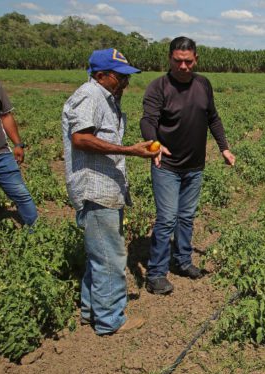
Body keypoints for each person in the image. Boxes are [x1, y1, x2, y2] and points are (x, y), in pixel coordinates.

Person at [62, 48, 157, 334]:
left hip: (104, 187)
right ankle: (110, 320)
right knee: (110, 257)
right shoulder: (89, 96)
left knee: (99, 254)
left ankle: (92, 311)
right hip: (95, 188)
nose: (125, 83)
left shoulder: (106, 98)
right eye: (120, 77)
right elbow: (81, 139)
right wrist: (130, 150)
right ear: (101, 75)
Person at [140, 36, 236, 295]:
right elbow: (148, 120)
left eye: (188, 61)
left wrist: (224, 147)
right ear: (170, 58)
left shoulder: (203, 84)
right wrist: (153, 143)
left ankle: (182, 261)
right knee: (167, 218)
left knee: (186, 216)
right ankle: (156, 273)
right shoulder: (158, 87)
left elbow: (213, 118)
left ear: (196, 59)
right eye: (178, 61)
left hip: (194, 166)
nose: (183, 67)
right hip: (167, 165)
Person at [0, 64, 38, 241]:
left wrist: (18, 144)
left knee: (21, 194)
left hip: (1, 154)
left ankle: (37, 234)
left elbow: (6, 115)